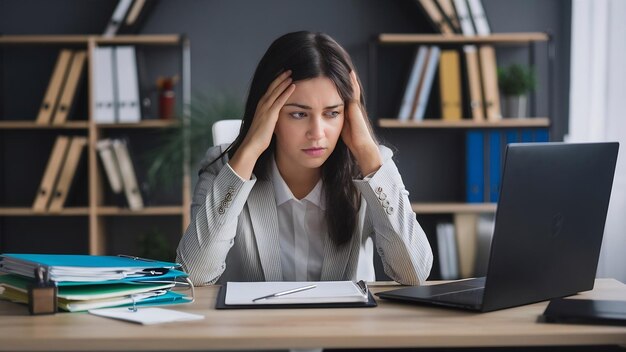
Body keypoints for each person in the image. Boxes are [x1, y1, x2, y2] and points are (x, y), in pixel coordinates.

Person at [177, 31, 432, 286]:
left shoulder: (372, 168)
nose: (317, 133)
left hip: (345, 326)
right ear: (269, 114)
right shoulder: (225, 169)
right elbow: (195, 275)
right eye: (299, 114)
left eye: (332, 113)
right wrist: (250, 149)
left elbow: (415, 273)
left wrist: (366, 150)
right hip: (256, 326)